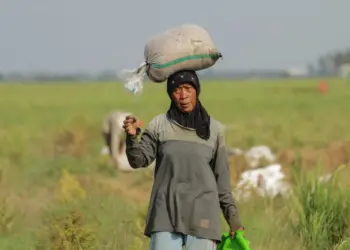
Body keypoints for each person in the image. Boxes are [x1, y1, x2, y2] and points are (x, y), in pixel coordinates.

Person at [123, 70, 244, 250]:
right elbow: (138, 161)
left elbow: (222, 181)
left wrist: (233, 219)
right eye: (177, 90)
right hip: (165, 213)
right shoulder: (159, 125)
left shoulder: (215, 131)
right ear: (170, 94)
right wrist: (132, 138)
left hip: (203, 216)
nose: (183, 95)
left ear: (197, 90)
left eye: (188, 88)